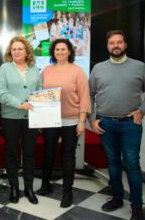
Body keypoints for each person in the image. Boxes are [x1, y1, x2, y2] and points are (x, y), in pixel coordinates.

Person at [89, 30, 145, 220]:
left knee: (131, 164)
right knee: (112, 164)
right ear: (107, 46)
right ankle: (117, 197)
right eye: (112, 43)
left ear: (125, 45)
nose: (116, 46)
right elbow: (89, 95)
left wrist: (142, 110)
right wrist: (92, 118)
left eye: (119, 42)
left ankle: (137, 205)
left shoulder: (139, 67)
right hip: (105, 123)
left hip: (130, 124)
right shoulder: (98, 68)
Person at [37, 38, 90, 208]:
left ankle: (68, 192)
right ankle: (46, 185)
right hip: (50, 120)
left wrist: (81, 122)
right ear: (53, 52)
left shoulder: (78, 71)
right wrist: (40, 120)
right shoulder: (46, 70)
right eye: (57, 49)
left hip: (71, 120)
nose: (60, 52)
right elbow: (40, 95)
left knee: (68, 156)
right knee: (48, 153)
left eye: (63, 49)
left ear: (69, 52)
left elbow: (84, 97)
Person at [0, 36, 42, 204]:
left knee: (29, 154)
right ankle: (14, 187)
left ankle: (29, 188)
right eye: (13, 49)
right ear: (10, 51)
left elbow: (39, 90)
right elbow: (1, 93)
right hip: (11, 117)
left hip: (31, 118)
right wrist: (19, 104)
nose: (16, 51)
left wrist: (39, 107)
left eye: (20, 48)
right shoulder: (4, 68)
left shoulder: (34, 69)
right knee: (11, 153)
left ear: (26, 51)